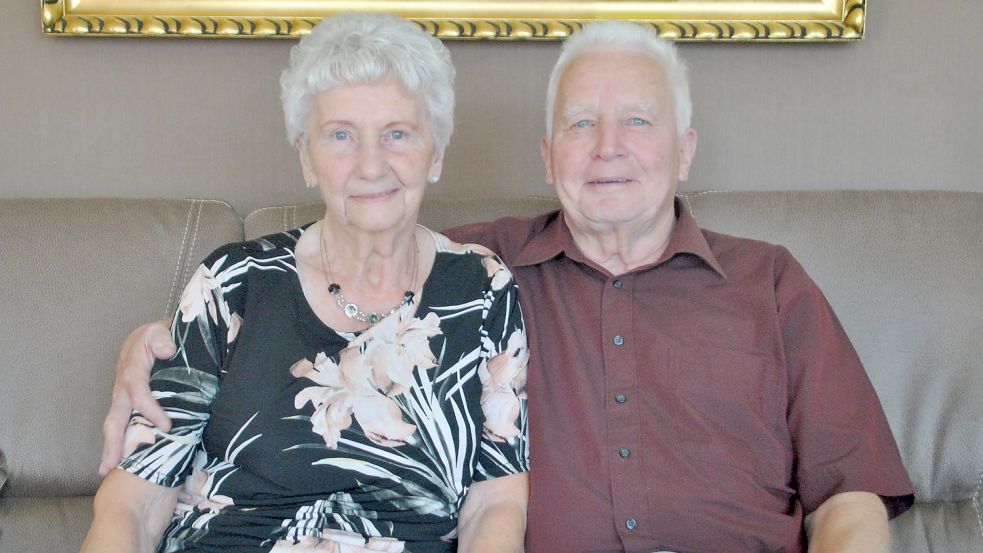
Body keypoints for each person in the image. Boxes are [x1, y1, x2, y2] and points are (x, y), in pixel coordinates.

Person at [100, 20, 914, 553]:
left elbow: (851, 498)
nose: (606, 148)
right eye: (579, 124)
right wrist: (158, 340)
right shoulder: (482, 273)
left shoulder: (770, 282)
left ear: (685, 148)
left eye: (637, 120)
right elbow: (339, 269)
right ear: (546, 153)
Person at [83, 13, 529, 553]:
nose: (370, 164)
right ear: (306, 156)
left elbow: (495, 502)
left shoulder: (481, 288)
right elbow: (135, 501)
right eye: (341, 135)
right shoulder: (236, 283)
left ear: (435, 153)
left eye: (397, 134)